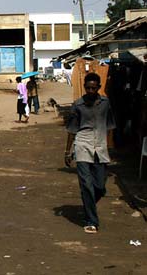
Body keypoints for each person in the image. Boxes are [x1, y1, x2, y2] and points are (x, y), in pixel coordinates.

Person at [64, 72, 116, 234]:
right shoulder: (78, 105)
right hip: (82, 146)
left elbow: (109, 127)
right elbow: (72, 130)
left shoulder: (106, 104)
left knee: (100, 187)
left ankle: (89, 204)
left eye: (94, 88)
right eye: (88, 88)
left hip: (100, 147)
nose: (91, 91)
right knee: (86, 185)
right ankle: (91, 220)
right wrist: (67, 151)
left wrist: (110, 147)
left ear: (99, 87)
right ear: (84, 88)